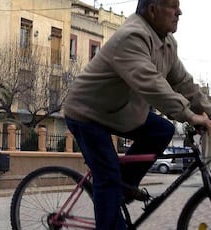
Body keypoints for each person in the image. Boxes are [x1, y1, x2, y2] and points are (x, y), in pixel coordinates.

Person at [63, 0, 211, 229]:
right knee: (108, 175)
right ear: (153, 10)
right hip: (87, 113)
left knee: (163, 129)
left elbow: (184, 83)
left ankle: (122, 186)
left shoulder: (167, 43)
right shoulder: (131, 37)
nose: (179, 11)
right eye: (173, 6)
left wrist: (208, 111)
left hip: (118, 111)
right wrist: (189, 115)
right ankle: (112, 206)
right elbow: (151, 83)